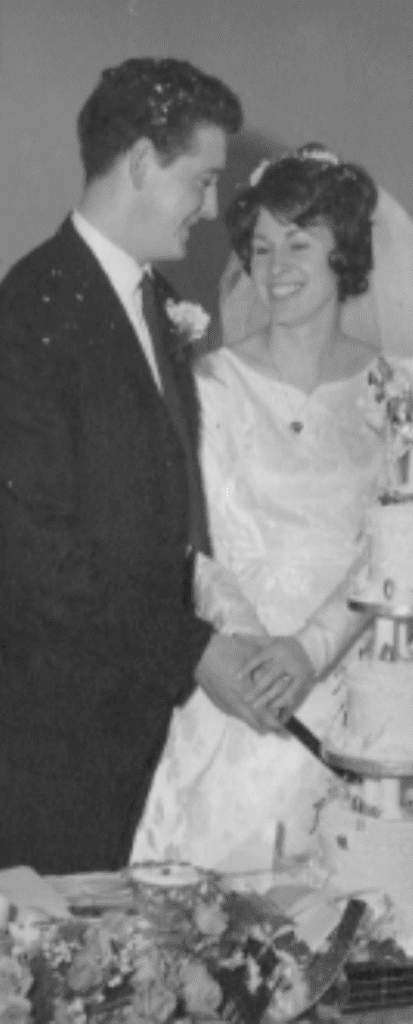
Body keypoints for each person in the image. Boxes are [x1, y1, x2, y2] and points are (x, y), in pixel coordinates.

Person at [131, 144, 413, 869]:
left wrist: (312, 649)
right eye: (260, 247)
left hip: (359, 666)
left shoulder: (405, 388)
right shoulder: (206, 384)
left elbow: (409, 545)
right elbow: (196, 543)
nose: (276, 267)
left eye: (299, 243)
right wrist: (255, 660)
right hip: (242, 674)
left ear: (347, 254)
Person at [0, 58, 273, 874]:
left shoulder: (148, 297)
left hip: (133, 713)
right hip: (59, 732)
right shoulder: (33, 308)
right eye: (203, 179)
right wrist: (192, 648)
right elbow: (33, 548)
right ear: (144, 163)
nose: (213, 207)